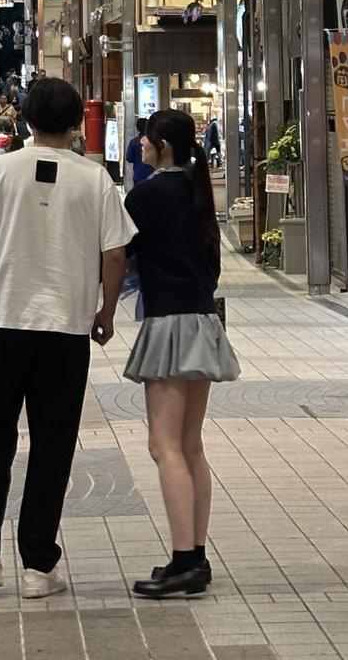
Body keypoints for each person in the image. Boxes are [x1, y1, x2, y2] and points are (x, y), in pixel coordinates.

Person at [0, 77, 135, 600]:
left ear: (27, 120)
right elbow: (115, 254)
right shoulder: (95, 179)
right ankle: (38, 564)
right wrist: (105, 312)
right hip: (64, 332)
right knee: (52, 446)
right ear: (77, 123)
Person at [123, 109, 240, 599]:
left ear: (163, 145)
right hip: (203, 322)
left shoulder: (145, 196)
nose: (141, 146)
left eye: (147, 139)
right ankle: (196, 554)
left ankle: (184, 559)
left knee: (164, 445)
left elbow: (120, 256)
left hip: (168, 323)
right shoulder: (198, 192)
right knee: (191, 444)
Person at [126, 117, 153, 188]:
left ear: (137, 128)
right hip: (152, 175)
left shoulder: (133, 142)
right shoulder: (153, 142)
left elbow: (129, 158)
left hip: (138, 175)